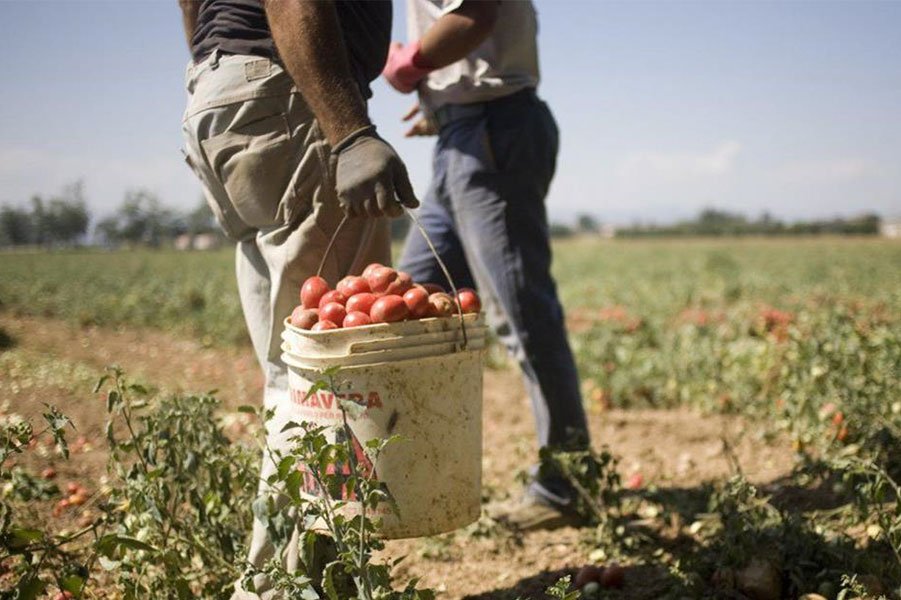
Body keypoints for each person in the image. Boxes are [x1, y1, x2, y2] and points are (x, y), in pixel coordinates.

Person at [178, 0, 418, 597]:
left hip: (221, 93)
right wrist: (352, 131)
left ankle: (282, 581)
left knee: (293, 374)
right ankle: (284, 589)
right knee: (331, 380)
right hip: (288, 91)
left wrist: (227, 74)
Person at [383, 0, 591, 530]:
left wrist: (409, 64)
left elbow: (474, 15)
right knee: (413, 304)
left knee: (522, 315)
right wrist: (443, 101)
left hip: (493, 128)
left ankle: (566, 485)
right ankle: (413, 474)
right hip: (463, 133)